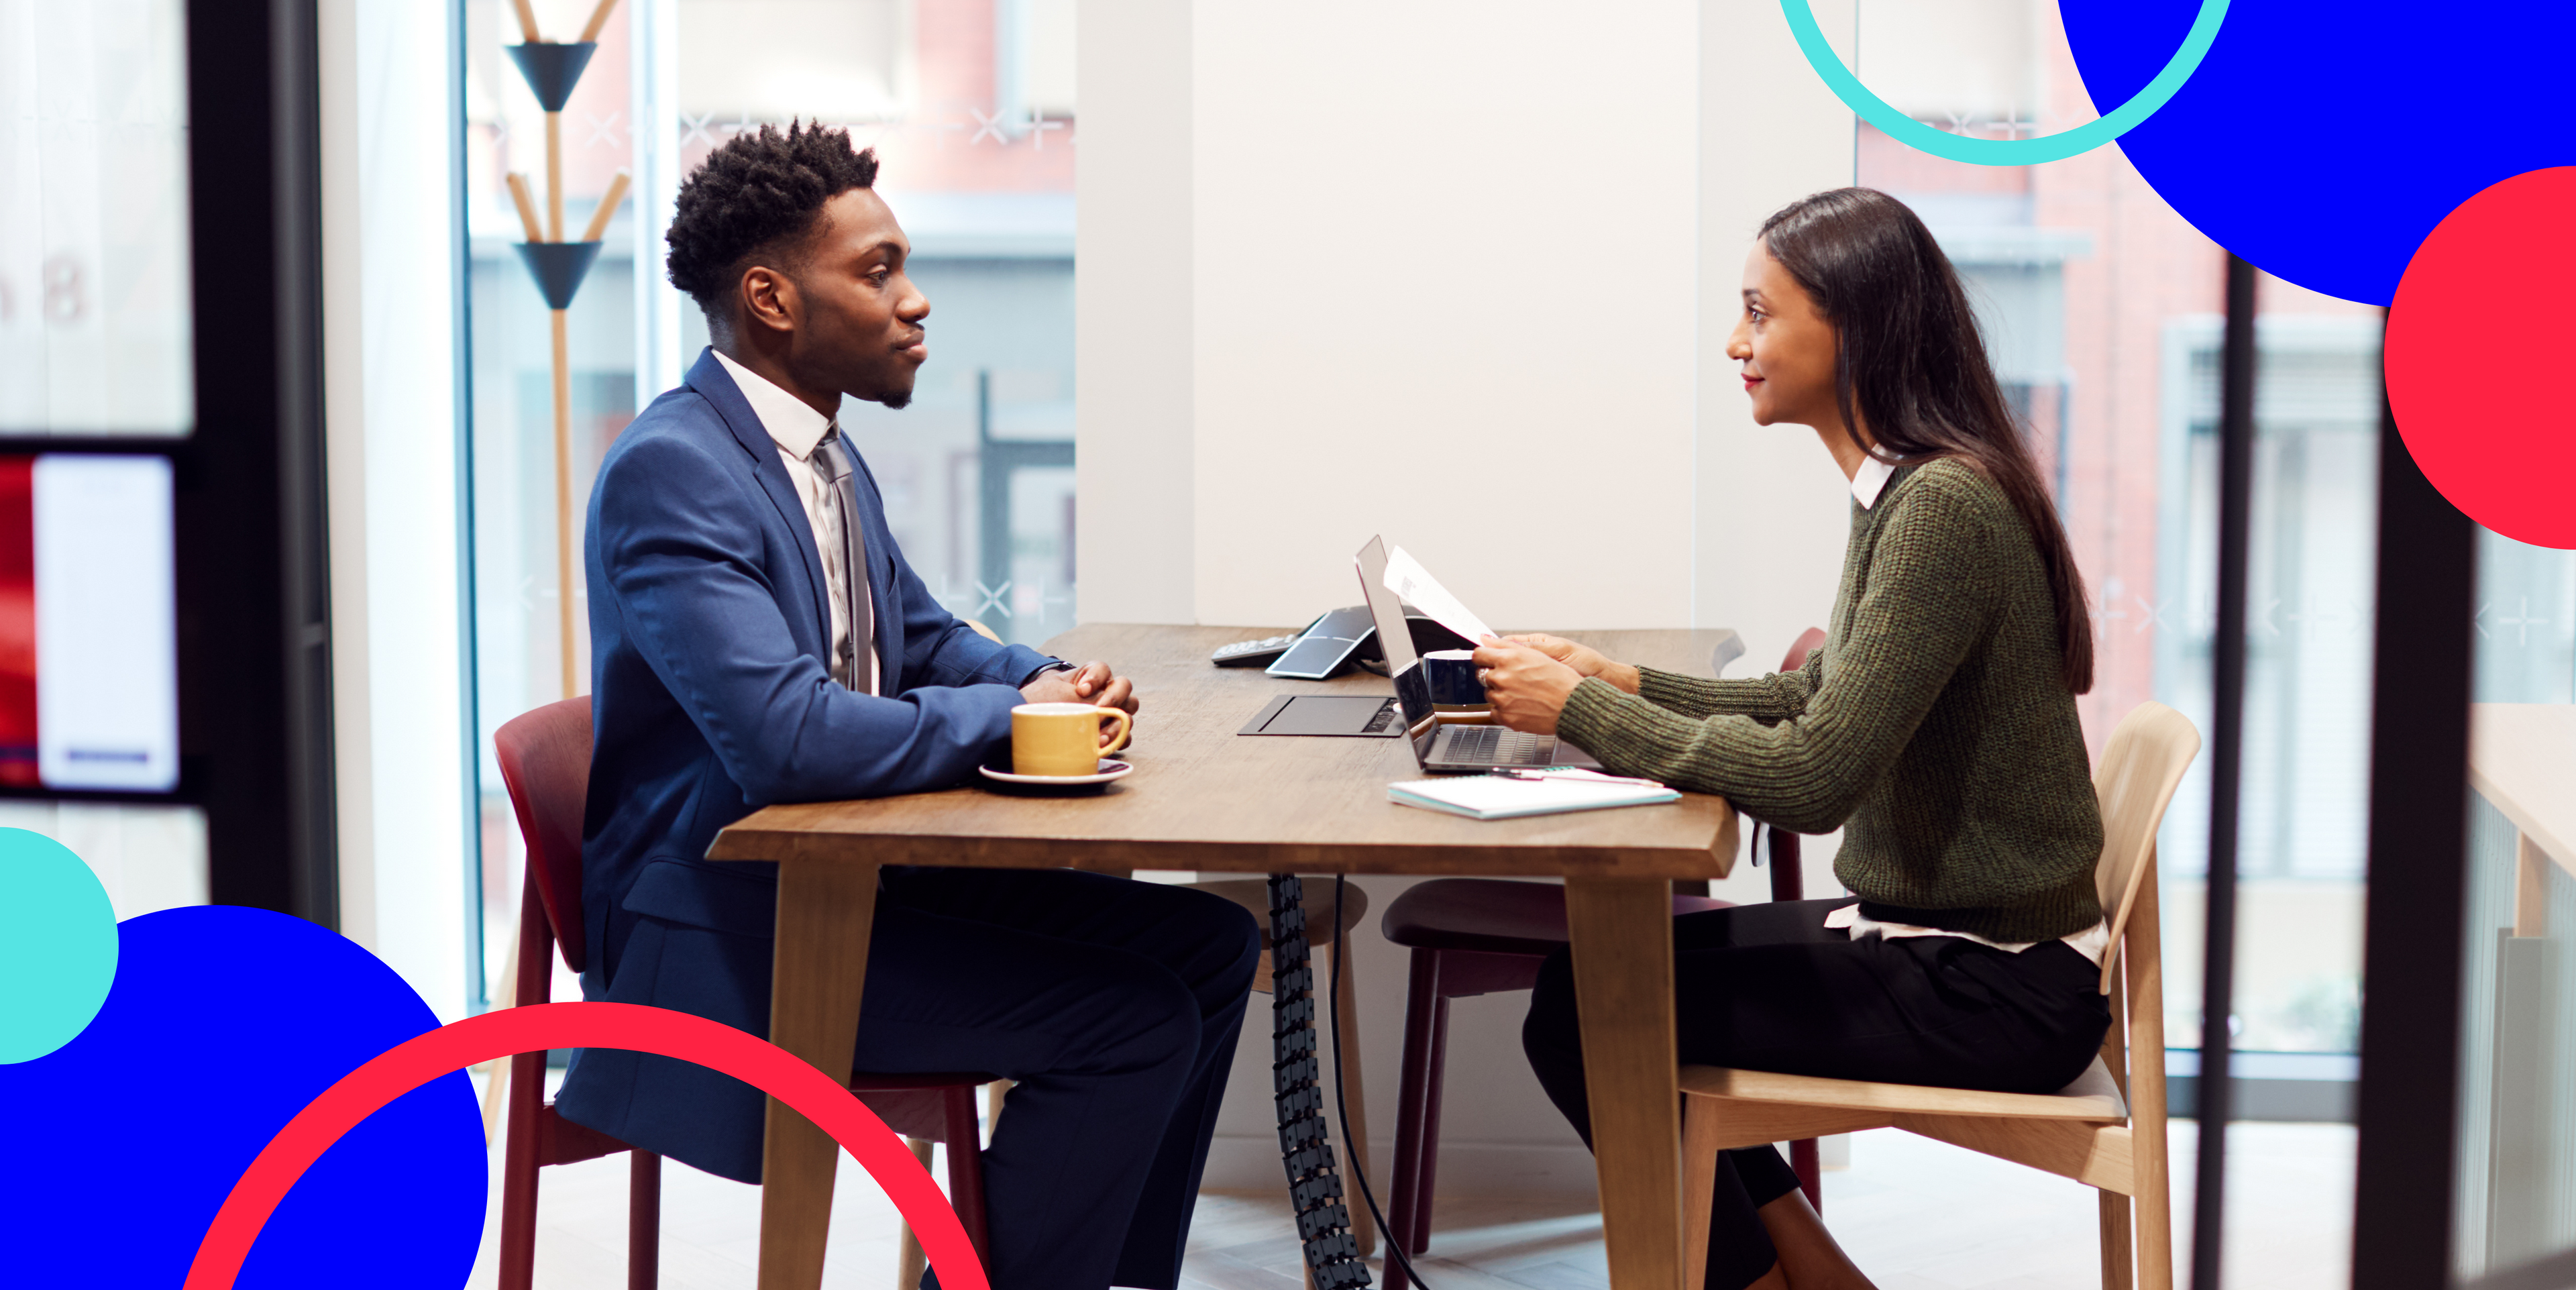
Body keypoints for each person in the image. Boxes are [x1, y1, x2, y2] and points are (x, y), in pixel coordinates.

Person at [553, 122, 1259, 1290]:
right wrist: (1018, 726)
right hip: (728, 940)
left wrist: (1039, 680)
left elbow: (918, 634)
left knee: (1209, 947)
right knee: (1131, 1021)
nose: (916, 300)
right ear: (772, 297)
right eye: (877, 271)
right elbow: (787, 739)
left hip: (838, 890)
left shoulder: (816, 450)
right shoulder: (674, 470)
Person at [1472, 187, 2113, 1290]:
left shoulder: (1941, 509)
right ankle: (1814, 1277)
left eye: (1760, 314)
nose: (1738, 343)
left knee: (1593, 1010)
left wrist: (1579, 713)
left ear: (1851, 326)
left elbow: (1815, 775)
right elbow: (1814, 698)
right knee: (1593, 988)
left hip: (1990, 987)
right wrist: (1616, 678)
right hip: (1943, 941)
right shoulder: (1903, 490)